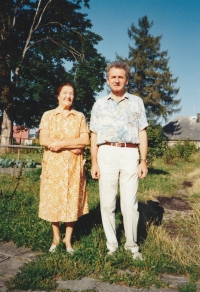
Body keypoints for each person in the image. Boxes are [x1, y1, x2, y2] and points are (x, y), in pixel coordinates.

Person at [90, 61, 148, 260]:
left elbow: (142, 132)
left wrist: (143, 160)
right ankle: (112, 247)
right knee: (107, 203)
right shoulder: (99, 104)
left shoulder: (137, 102)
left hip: (130, 153)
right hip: (106, 153)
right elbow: (93, 135)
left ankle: (132, 246)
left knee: (130, 204)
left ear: (127, 80)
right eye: (113, 77)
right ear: (107, 80)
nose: (116, 80)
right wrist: (94, 162)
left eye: (120, 77)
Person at [39, 82, 89, 253]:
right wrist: (70, 146)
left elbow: (85, 141)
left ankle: (68, 240)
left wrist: (60, 144)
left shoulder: (79, 116)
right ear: (58, 95)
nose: (68, 96)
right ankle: (56, 238)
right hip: (53, 164)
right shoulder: (48, 115)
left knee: (71, 199)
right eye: (65, 93)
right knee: (53, 199)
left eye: (72, 93)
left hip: (74, 166)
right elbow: (44, 140)